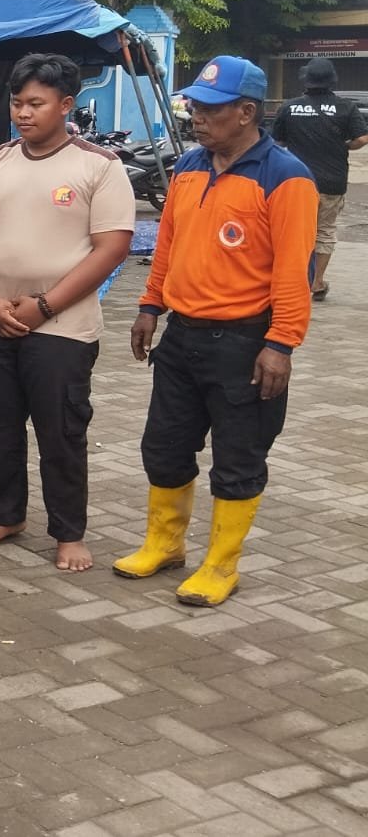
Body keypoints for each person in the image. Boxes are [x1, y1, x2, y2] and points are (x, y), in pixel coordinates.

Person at [113, 55, 316, 607]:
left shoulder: (286, 178)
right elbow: (168, 245)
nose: (195, 117)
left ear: (246, 112)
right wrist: (150, 306)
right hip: (183, 337)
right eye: (194, 106)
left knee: (238, 458)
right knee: (165, 446)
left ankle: (221, 565)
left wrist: (281, 344)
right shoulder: (188, 168)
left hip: (247, 344)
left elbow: (294, 271)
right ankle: (165, 545)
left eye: (209, 109)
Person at [0, 54, 134, 573]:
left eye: (36, 103)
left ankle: (68, 532)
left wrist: (45, 305)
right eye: (17, 102)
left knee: (60, 431)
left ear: (66, 104)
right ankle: (6, 514)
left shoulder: (98, 165)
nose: (24, 113)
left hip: (62, 327)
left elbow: (112, 247)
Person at [271, 56, 368, 301]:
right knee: (324, 231)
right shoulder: (346, 107)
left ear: (306, 79)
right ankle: (315, 282)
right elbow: (362, 138)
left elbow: (278, 142)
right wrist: (343, 145)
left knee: (291, 231)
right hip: (332, 182)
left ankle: (287, 280)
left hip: (295, 181)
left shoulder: (290, 107)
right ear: (332, 81)